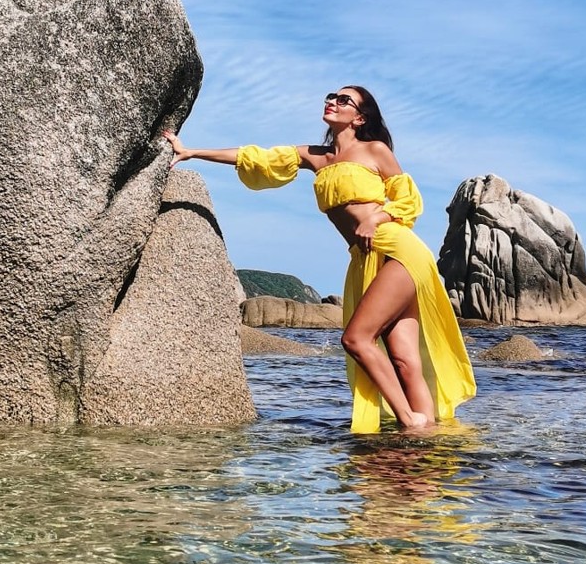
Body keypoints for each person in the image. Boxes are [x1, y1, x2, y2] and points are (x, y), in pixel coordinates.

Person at [164, 85, 475, 433]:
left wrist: (374, 218)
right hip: (363, 258)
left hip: (398, 250)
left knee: (356, 339)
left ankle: (410, 422)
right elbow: (256, 157)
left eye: (344, 100)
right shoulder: (317, 157)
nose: (333, 102)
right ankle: (428, 435)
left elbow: (407, 200)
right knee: (403, 358)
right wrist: (191, 152)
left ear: (360, 117)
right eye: (331, 96)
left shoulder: (376, 150)